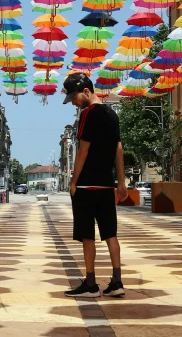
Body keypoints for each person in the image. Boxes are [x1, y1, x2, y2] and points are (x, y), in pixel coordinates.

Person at [62, 72, 128, 298]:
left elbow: (83, 150)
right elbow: (118, 150)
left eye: (74, 97)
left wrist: (73, 180)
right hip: (107, 186)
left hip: (86, 186)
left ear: (86, 92)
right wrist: (121, 182)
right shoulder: (112, 114)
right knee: (111, 233)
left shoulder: (88, 114)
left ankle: (90, 284)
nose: (73, 102)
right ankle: (117, 281)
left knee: (87, 235)